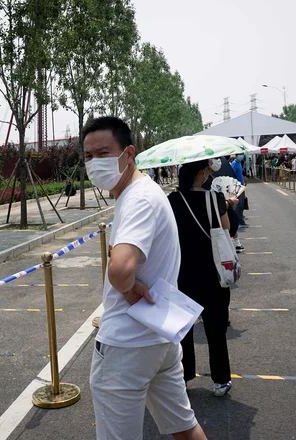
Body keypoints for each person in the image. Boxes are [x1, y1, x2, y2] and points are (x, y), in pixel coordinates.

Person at [83, 117, 207, 440]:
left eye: (103, 152)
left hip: (127, 346)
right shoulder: (146, 192)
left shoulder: (137, 198)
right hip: (157, 338)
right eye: (88, 156)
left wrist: (128, 286)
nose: (95, 163)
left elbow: (121, 269)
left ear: (128, 153)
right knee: (184, 429)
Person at [168, 159, 233, 397]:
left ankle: (183, 377)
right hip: (213, 274)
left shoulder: (172, 201)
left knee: (183, 331)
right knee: (216, 330)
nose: (208, 175)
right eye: (206, 171)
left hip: (182, 275)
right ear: (199, 174)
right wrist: (229, 206)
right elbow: (226, 229)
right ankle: (220, 381)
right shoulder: (214, 199)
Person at [230, 155, 247, 228]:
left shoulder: (239, 163)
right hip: (237, 186)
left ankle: (240, 220)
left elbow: (240, 174)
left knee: (241, 205)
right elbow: (231, 175)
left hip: (242, 185)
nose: (241, 156)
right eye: (240, 155)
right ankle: (237, 222)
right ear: (236, 156)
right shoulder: (234, 164)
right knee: (238, 205)